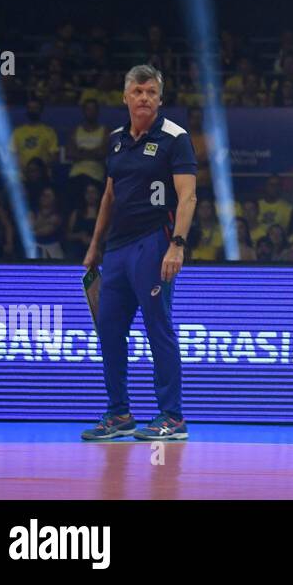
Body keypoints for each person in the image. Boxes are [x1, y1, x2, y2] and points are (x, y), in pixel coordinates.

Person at [81, 66, 197, 442]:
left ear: (160, 99)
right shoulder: (115, 140)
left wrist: (177, 245)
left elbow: (188, 197)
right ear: (126, 97)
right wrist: (95, 245)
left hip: (154, 243)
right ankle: (119, 414)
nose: (144, 97)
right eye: (138, 91)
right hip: (116, 249)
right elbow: (109, 197)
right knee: (109, 331)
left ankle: (172, 417)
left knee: (157, 328)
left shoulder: (175, 137)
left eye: (151, 92)